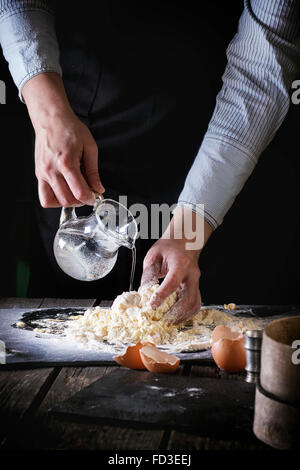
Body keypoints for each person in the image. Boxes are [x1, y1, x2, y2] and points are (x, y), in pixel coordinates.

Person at [0, 0, 299, 323]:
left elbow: (260, 71)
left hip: (216, 145)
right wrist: (48, 113)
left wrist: (187, 232)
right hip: (80, 120)